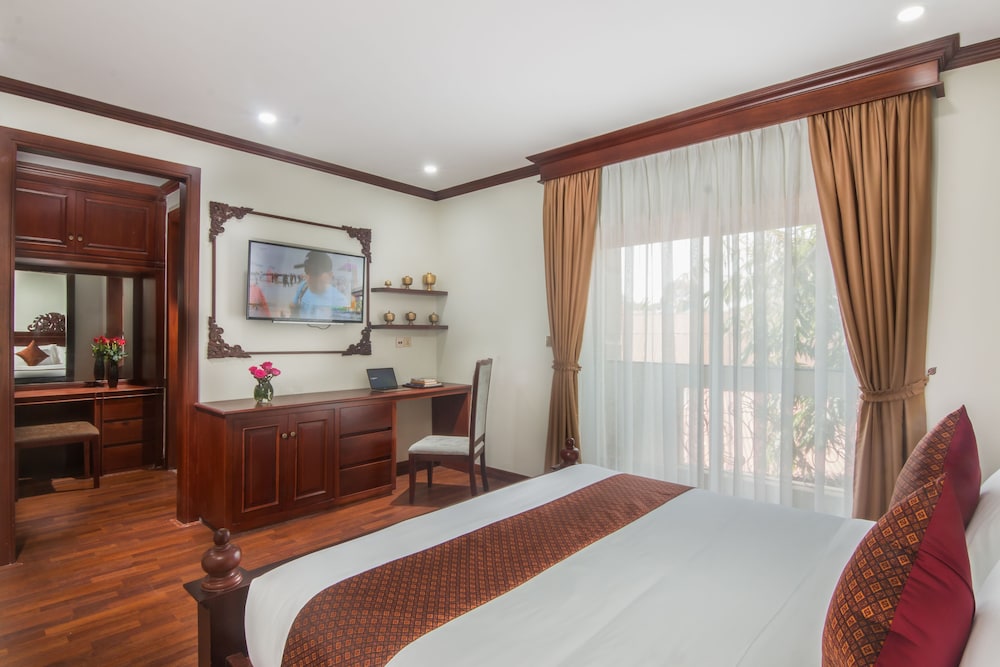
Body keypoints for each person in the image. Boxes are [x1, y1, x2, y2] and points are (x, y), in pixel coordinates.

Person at [290, 250, 350, 318]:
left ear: (329, 275)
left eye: (315, 273)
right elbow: (293, 309)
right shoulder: (303, 287)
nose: (309, 278)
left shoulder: (340, 301)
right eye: (307, 271)